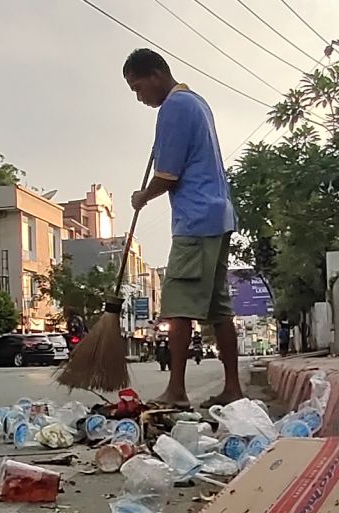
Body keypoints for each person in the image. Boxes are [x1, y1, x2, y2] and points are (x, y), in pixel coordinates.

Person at [124, 48, 242, 410]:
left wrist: (142, 196)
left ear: (156, 75)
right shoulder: (197, 102)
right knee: (219, 309)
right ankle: (233, 388)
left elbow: (168, 174)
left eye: (137, 87)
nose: (138, 97)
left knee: (176, 308)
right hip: (218, 216)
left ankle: (176, 389)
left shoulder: (174, 108)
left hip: (196, 220)